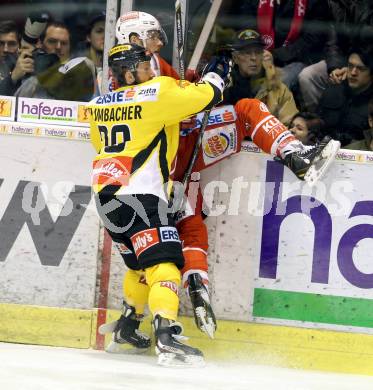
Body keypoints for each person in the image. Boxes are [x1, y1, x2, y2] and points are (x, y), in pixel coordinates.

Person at [88, 43, 230, 366]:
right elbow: (207, 96)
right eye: (144, 66)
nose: (152, 70)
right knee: (164, 263)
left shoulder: (98, 105)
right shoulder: (156, 92)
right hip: (140, 197)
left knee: (139, 263)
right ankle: (166, 335)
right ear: (128, 73)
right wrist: (218, 74)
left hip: (106, 196)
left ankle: (128, 324)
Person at [298, 0, 373, 112]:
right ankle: (318, 119)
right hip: (344, 60)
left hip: (367, 62)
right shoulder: (334, 3)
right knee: (308, 76)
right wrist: (335, 67)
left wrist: (353, 66)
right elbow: (333, 42)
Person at [222, 28, 298, 126]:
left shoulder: (278, 89)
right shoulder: (223, 87)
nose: (253, 58)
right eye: (247, 53)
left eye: (258, 52)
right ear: (235, 58)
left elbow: (290, 127)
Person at [317, 48, 373, 146]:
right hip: (323, 148)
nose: (353, 73)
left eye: (361, 69)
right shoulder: (333, 89)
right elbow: (318, 121)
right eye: (350, 66)